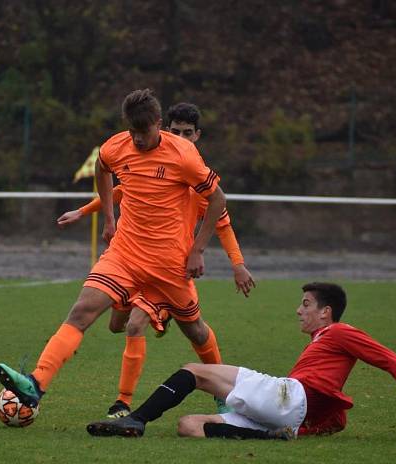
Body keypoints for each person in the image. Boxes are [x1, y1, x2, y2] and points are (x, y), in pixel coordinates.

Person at [0, 89, 228, 417]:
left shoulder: (184, 156)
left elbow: (218, 200)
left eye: (143, 132)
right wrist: (108, 218)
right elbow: (103, 170)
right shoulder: (117, 146)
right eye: (132, 131)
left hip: (169, 264)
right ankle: (36, 384)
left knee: (196, 330)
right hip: (125, 254)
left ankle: (224, 391)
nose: (137, 139)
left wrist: (197, 250)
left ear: (158, 125)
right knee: (81, 311)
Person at [56, 102, 255, 418]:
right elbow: (121, 191)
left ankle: (129, 402)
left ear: (198, 136)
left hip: (172, 268)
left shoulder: (195, 174)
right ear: (164, 129)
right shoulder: (154, 160)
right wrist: (83, 211)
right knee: (116, 325)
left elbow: (223, 223)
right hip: (134, 258)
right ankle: (160, 317)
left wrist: (237, 263)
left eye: (187, 133)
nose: (180, 137)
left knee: (162, 328)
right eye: (175, 132)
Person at [86, 282, 396, 439]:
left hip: (289, 396)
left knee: (194, 371)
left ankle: (134, 420)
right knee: (189, 426)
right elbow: (333, 416)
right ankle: (270, 438)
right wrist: (306, 428)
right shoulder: (324, 343)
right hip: (288, 414)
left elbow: (389, 359)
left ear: (326, 313)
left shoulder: (339, 332)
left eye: (306, 305)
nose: (298, 311)